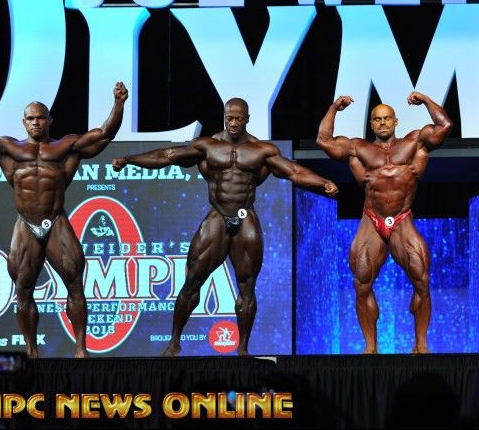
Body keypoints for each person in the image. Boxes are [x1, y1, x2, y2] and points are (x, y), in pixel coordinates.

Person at [112, 97, 338, 356]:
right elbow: (167, 156)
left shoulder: (262, 150)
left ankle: (242, 349)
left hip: (245, 216)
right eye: (229, 118)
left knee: (247, 285)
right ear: (224, 117)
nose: (233, 123)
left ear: (247, 119)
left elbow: (294, 171)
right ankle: (174, 343)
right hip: (218, 216)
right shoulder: (208, 145)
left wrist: (323, 183)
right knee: (193, 280)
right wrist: (129, 159)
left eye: (238, 119)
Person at [0, 82, 129, 357]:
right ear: (24, 122)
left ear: (50, 120)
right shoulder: (7, 148)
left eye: (41, 117)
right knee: (23, 290)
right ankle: (32, 351)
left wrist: (119, 104)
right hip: (26, 224)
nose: (36, 122)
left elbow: (104, 135)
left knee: (75, 284)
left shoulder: (66, 147)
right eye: (31, 118)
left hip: (55, 221)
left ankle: (81, 349)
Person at [316, 92, 452, 354]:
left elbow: (444, 125)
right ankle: (370, 347)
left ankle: (421, 345)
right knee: (361, 282)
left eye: (387, 118)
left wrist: (425, 100)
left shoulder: (415, 143)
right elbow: (323, 140)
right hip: (372, 219)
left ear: (395, 121)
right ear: (371, 124)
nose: (382, 123)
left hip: (402, 218)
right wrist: (334, 108)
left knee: (422, 281)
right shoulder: (358, 148)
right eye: (377, 119)